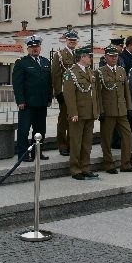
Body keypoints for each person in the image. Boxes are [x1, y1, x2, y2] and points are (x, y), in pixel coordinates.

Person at [96, 45, 132, 173]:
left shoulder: (121, 70)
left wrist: (129, 107)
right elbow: (98, 94)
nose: (114, 58)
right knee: (106, 139)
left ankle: (126, 164)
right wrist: (100, 110)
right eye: (111, 56)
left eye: (116, 56)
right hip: (108, 111)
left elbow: (126, 90)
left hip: (121, 110)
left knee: (127, 136)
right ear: (106, 57)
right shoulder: (100, 72)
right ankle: (109, 164)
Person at [11, 36, 51, 161]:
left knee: (40, 130)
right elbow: (17, 84)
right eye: (32, 47)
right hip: (27, 103)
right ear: (28, 49)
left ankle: (37, 152)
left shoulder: (45, 62)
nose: (35, 49)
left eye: (37, 47)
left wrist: (49, 98)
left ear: (40, 48)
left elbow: (49, 82)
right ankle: (23, 154)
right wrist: (20, 100)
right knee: (24, 130)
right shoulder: (21, 63)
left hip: (42, 102)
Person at [63, 45, 100, 180]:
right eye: (88, 56)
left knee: (87, 143)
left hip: (89, 113)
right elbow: (69, 95)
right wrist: (73, 113)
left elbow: (94, 94)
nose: (90, 58)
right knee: (76, 142)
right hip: (78, 114)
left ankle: (85, 167)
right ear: (82, 57)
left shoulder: (90, 72)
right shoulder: (70, 73)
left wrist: (96, 111)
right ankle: (75, 169)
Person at [51, 29, 79, 157]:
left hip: (78, 93)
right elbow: (56, 75)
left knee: (75, 119)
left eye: (74, 40)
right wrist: (58, 93)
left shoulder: (79, 55)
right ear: (66, 40)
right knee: (64, 120)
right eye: (70, 40)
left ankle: (72, 144)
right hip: (65, 93)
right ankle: (62, 145)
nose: (72, 42)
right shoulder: (59, 55)